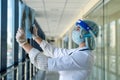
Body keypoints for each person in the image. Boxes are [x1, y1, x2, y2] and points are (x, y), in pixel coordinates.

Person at [16, 19, 99, 80]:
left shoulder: (84, 56)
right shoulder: (78, 51)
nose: (74, 31)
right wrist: (35, 37)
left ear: (85, 34)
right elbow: (54, 52)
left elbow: (44, 63)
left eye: (77, 29)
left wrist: (23, 43)